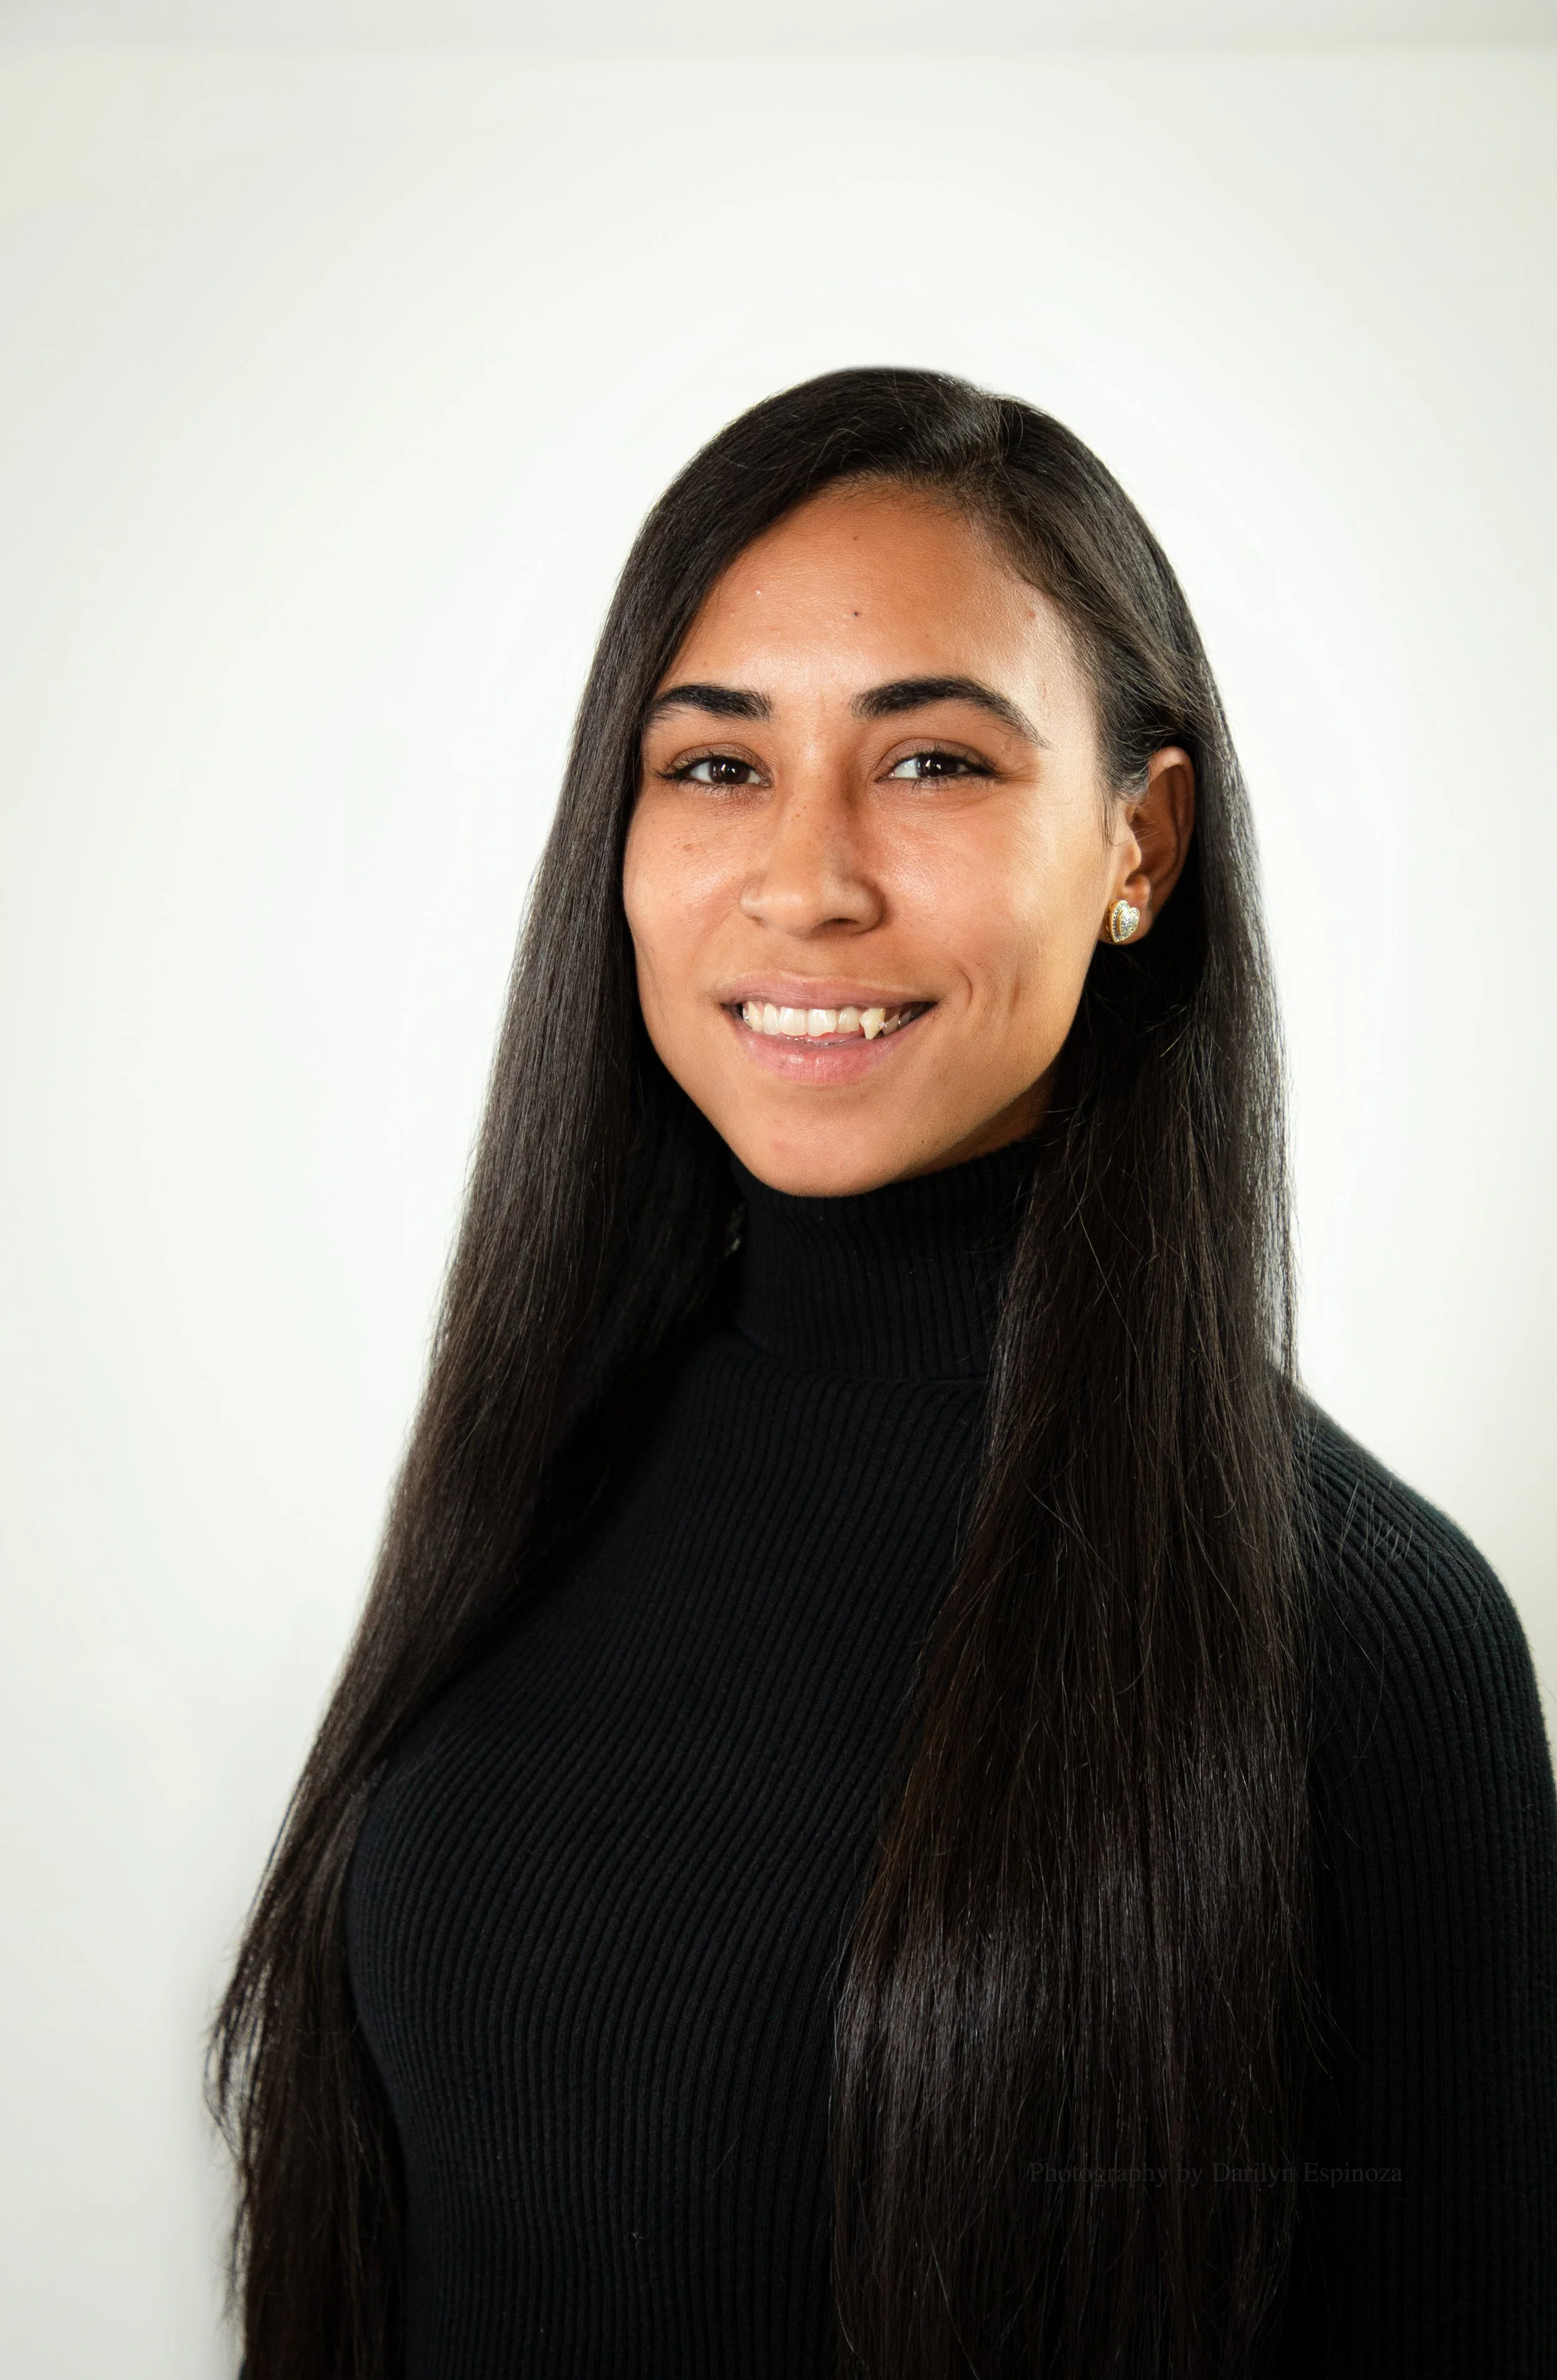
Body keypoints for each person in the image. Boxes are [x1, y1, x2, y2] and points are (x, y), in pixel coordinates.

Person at [212, 367, 1557, 2380]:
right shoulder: (555, 1452)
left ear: (1138, 845)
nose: (808, 878)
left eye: (930, 763)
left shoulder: (1362, 1640)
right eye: (715, 766)